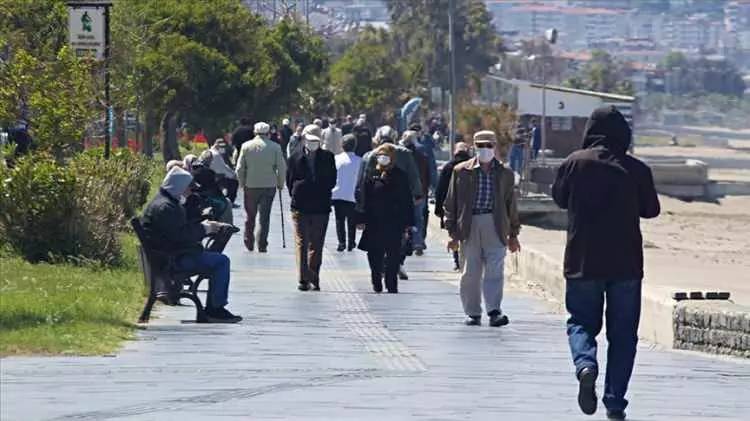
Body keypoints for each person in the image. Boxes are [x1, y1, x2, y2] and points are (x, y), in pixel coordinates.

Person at [551, 106, 660, 420]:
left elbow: (559, 198)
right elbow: (651, 210)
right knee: (623, 335)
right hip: (625, 263)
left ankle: (585, 365)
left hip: (582, 260)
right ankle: (614, 402)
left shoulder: (573, 163)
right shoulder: (636, 169)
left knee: (581, 322)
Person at [141, 167, 242, 323]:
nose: (190, 191)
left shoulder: (164, 203)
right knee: (221, 261)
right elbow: (180, 236)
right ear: (179, 186)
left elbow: (178, 230)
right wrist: (205, 228)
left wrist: (204, 224)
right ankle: (215, 309)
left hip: (167, 255)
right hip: (173, 260)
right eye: (188, 187)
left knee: (216, 259)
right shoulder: (166, 208)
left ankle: (215, 306)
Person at [444, 130, 521, 327]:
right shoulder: (461, 171)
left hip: (495, 224)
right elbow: (451, 203)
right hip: (470, 225)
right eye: (481, 146)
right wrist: (452, 232)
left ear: (495, 147)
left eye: (489, 145)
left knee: (495, 269)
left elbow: (510, 204)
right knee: (471, 271)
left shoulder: (505, 173)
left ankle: (494, 310)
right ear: (474, 147)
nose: (485, 150)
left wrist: (513, 234)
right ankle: (472, 312)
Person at [356, 126, 423, 280]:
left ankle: (379, 268)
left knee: (376, 242)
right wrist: (417, 195)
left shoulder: (369, 155)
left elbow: (362, 183)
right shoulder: (405, 153)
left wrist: (360, 209)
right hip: (398, 206)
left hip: (375, 207)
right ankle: (395, 263)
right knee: (398, 239)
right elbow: (414, 177)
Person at [287, 126, 336, 291]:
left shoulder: (328, 157)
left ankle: (313, 275)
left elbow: (332, 180)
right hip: (300, 206)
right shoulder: (294, 157)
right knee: (302, 242)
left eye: (316, 140)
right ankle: (303, 278)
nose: (313, 143)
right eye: (310, 140)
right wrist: (298, 190)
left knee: (317, 243)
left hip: (321, 206)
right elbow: (289, 180)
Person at [235, 122, 286, 253]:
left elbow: (239, 168)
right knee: (264, 217)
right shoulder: (275, 147)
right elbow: (281, 167)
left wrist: (242, 184)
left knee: (250, 216)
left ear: (254, 132)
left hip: (250, 186)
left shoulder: (246, 146)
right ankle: (262, 244)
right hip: (269, 186)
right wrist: (280, 183)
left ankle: (248, 241)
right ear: (268, 133)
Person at [434, 142, 472, 271]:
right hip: (468, 207)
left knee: (454, 233)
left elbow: (441, 189)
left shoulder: (449, 167)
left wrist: (439, 208)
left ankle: (457, 261)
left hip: (452, 206)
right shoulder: (472, 166)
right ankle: (467, 260)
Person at [400, 130, 430, 256]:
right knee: (418, 218)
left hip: (403, 193)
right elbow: (427, 175)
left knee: (403, 218)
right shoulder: (422, 156)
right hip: (419, 193)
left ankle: (403, 243)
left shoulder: (399, 157)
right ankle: (418, 242)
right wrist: (425, 190)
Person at [332, 134, 362, 252]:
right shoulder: (360, 161)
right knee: (352, 219)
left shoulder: (336, 158)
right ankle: (351, 242)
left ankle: (341, 242)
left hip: (337, 193)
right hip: (352, 194)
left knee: (339, 219)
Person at [201, 139, 239, 206]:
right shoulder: (216, 154)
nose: (222, 148)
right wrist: (234, 175)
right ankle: (230, 202)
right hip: (216, 177)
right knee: (234, 182)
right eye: (221, 146)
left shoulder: (207, 152)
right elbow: (222, 168)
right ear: (216, 145)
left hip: (209, 175)